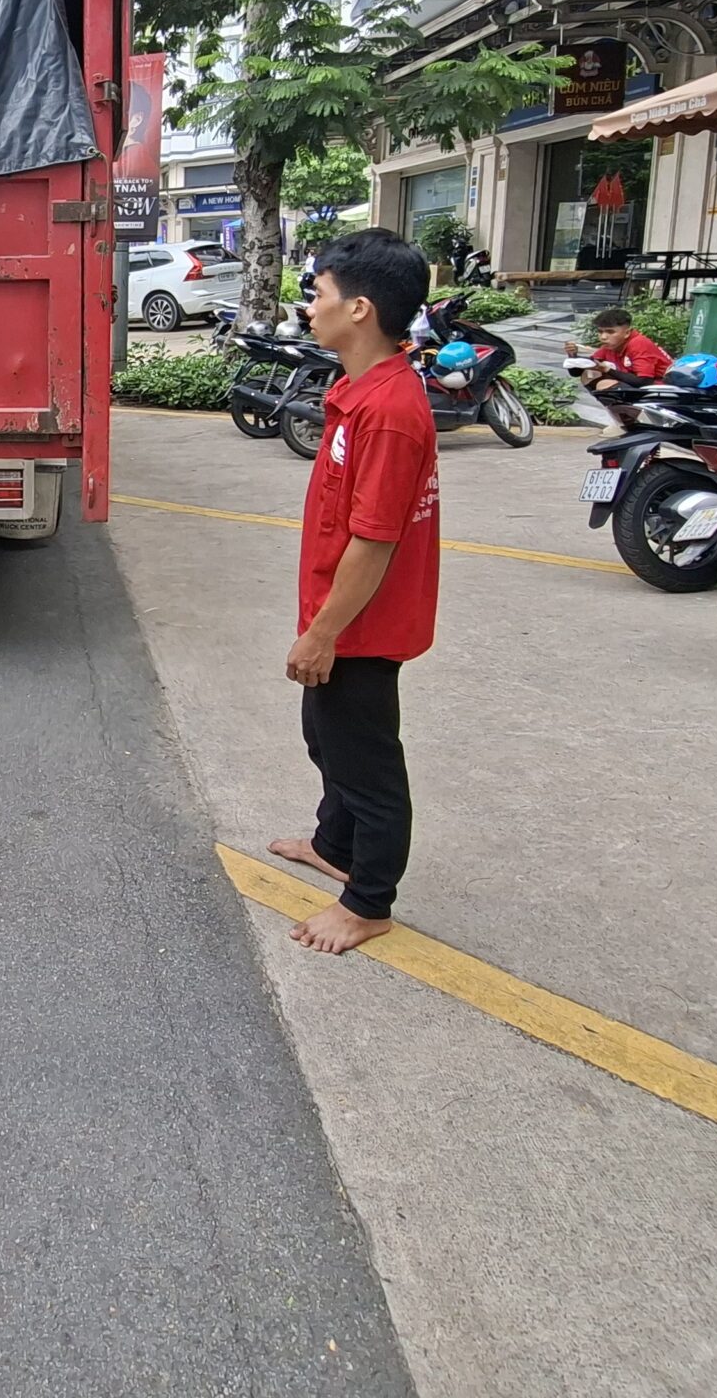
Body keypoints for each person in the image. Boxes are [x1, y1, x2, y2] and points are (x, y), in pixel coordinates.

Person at [266, 228, 441, 956]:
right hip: (342, 613)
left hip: (363, 623)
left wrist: (323, 633)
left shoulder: (391, 412)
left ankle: (369, 901)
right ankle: (333, 841)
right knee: (324, 734)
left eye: (321, 294)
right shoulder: (356, 389)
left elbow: (374, 543)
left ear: (361, 308)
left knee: (367, 762)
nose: (310, 307)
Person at [566, 305, 673, 383]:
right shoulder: (609, 347)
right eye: (600, 332)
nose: (603, 337)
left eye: (610, 332)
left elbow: (644, 380)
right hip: (641, 385)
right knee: (589, 375)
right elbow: (577, 372)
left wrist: (608, 370)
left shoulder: (639, 344)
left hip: (662, 388)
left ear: (627, 333)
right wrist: (572, 355)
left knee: (605, 383)